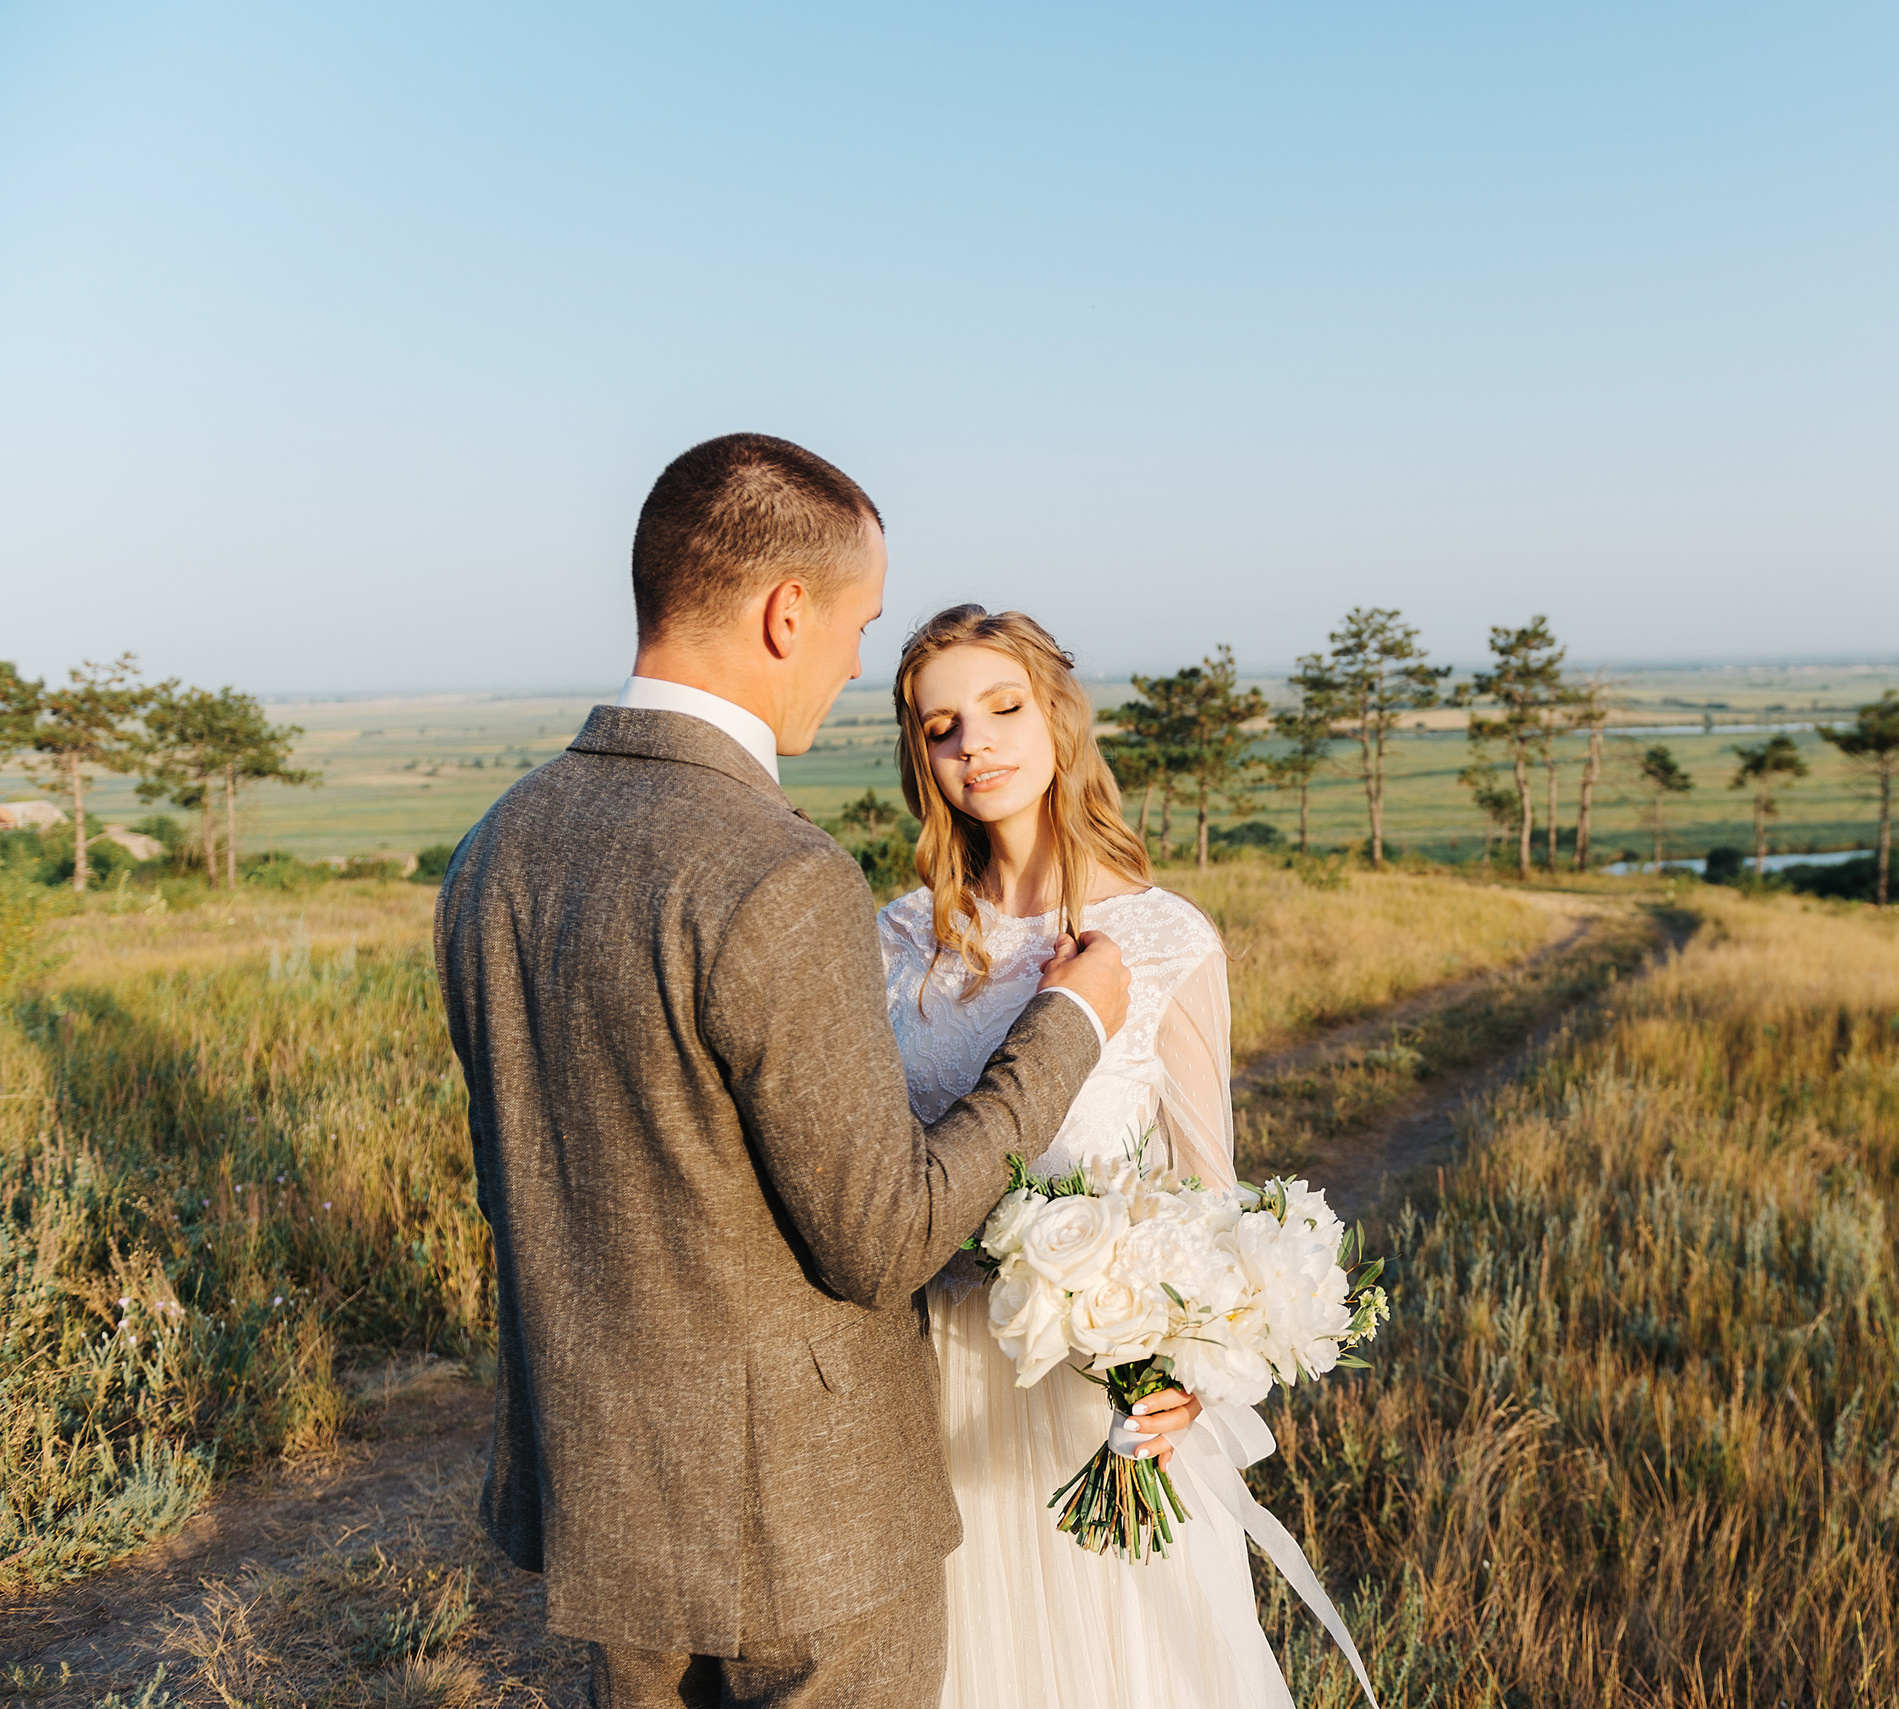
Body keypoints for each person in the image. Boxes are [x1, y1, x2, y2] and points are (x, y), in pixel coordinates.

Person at [435, 434, 1152, 1709]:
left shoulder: (496, 849)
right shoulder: (776, 872)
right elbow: (882, 1238)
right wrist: (1067, 1025)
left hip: (602, 1490)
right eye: (858, 624)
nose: (858, 662)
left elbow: (531, 1181)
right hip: (810, 1525)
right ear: (784, 612)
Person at [878, 605, 1292, 1709]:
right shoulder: (897, 941)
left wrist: (1189, 1379)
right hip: (932, 1376)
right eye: (942, 726)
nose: (977, 744)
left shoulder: (1164, 937)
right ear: (921, 758)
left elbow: (1213, 1203)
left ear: (1057, 718)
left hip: (1086, 1390)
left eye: (1004, 708)